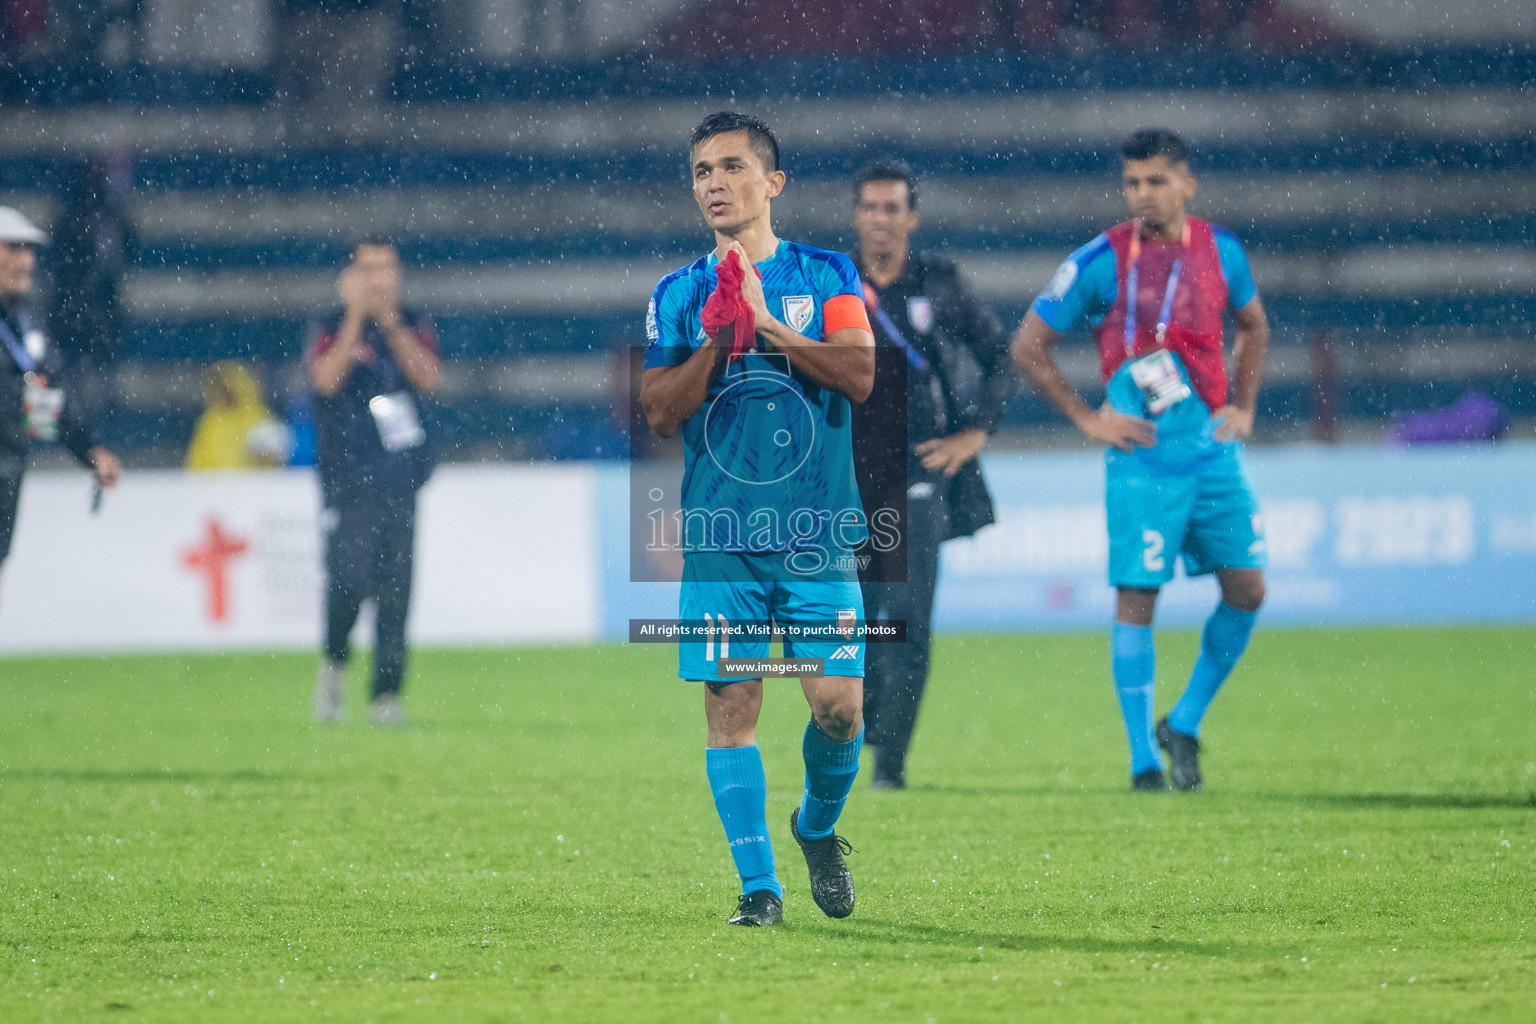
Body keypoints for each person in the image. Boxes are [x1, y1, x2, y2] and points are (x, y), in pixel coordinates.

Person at [639, 112, 877, 927]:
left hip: (816, 535)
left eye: (732, 166)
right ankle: (759, 889)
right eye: (702, 169)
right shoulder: (677, 294)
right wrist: (716, 341)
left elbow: (860, 373)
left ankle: (815, 829)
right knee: (732, 705)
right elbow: (659, 413)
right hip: (721, 540)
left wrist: (767, 327)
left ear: (772, 183)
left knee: (838, 705)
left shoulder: (828, 273)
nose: (714, 182)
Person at [1011, 129, 1270, 793]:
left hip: (1212, 453)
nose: (1143, 195)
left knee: (1248, 589)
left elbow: (1254, 325)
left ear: (1187, 182)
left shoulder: (1222, 251)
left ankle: (1182, 721)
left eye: (1156, 181)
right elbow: (1030, 344)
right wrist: (1087, 417)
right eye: (1132, 183)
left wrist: (1243, 407)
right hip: (1143, 458)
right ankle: (1143, 760)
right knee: (1138, 596)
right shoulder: (1100, 260)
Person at [847, 158, 1016, 791]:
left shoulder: (938, 284)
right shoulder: (831, 282)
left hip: (918, 468)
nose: (881, 219)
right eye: (870, 207)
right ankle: (857, 731)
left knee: (907, 617)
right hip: (847, 474)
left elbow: (1002, 356)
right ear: (856, 216)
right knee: (857, 620)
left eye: (893, 208)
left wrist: (976, 431)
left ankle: (890, 762)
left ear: (911, 218)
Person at [306, 237, 441, 727]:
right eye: (368, 269)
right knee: (346, 582)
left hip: (400, 480)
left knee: (396, 593)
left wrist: (390, 326)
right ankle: (335, 667)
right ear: (351, 276)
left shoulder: (414, 323)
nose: (379, 279)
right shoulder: (328, 326)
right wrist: (355, 319)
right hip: (349, 481)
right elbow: (324, 380)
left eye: (386, 268)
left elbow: (428, 379)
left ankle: (386, 694)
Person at [0, 206, 122, 599]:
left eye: (29, 250)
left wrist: (90, 449)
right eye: (14, 248)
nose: (27, 260)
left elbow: (49, 398)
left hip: (8, 472)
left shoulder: (25, 324)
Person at [185, 361, 292, 471]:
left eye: (224, 391)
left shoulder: (260, 419)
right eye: (214, 391)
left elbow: (274, 460)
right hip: (216, 486)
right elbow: (196, 463)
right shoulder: (210, 422)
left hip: (251, 486)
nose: (219, 396)